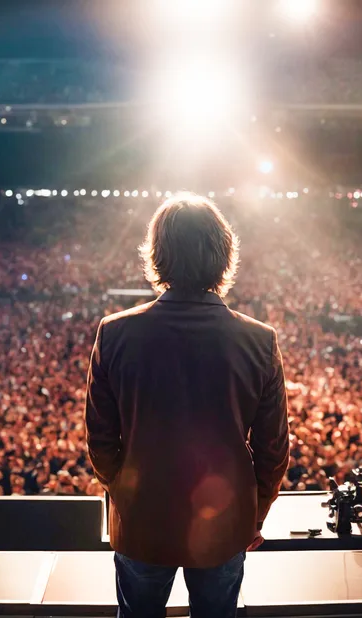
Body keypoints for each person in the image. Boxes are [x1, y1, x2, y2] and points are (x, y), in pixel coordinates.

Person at [84, 193, 290, 618]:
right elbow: (274, 449)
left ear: (157, 255)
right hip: (226, 522)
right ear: (224, 254)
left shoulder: (115, 334)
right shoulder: (259, 340)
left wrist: (125, 494)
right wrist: (256, 514)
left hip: (142, 523)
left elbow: (100, 442)